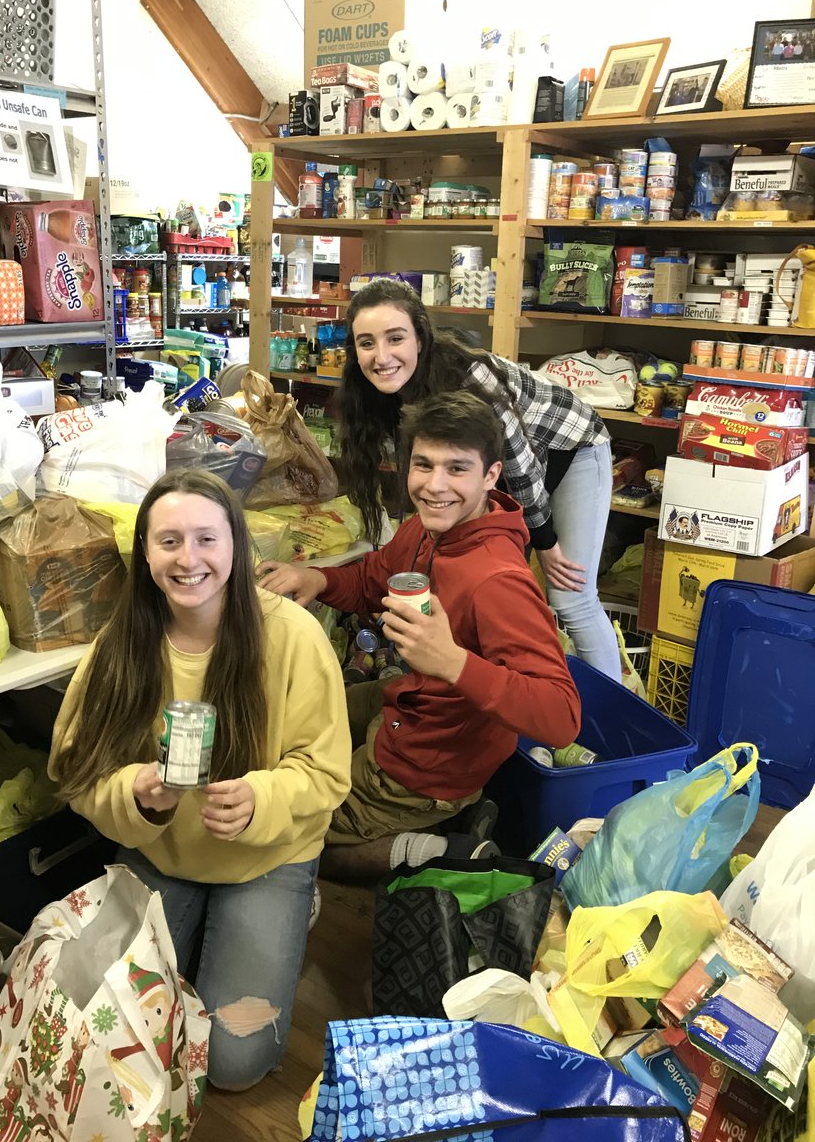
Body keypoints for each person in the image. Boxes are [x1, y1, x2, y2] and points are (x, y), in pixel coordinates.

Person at [48, 469, 351, 1091]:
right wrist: (135, 794)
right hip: (161, 856)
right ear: (145, 553)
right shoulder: (122, 645)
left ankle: (292, 904)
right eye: (169, 541)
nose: (189, 559)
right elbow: (76, 771)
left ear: (237, 547)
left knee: (233, 1064)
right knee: (96, 1020)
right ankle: (220, 931)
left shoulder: (292, 635)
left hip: (268, 858)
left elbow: (325, 771)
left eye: (207, 539)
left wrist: (261, 799)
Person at [258, 391, 581, 882]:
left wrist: (452, 662)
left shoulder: (497, 580)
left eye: (456, 469)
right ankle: (448, 818)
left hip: (432, 760)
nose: (434, 486)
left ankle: (441, 849)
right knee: (292, 714)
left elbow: (561, 717)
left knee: (288, 841)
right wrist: (319, 580)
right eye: (423, 465)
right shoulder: (428, 531)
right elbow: (374, 577)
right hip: (405, 705)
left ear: (491, 475)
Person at [335, 277, 621, 680]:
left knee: (571, 595)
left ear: (420, 337)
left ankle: (606, 724)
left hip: (568, 443)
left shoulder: (464, 374)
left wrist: (546, 542)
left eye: (395, 338)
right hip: (498, 465)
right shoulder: (374, 390)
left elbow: (518, 460)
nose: (381, 356)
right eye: (367, 343)